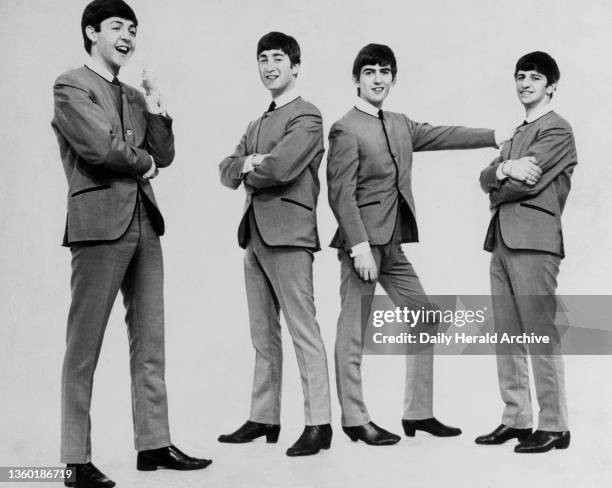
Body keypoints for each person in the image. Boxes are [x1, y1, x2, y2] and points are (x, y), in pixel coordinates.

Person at [52, 1, 211, 486]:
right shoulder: (71, 84)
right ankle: (74, 461)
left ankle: (154, 445)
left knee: (151, 341)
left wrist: (158, 106)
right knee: (84, 346)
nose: (128, 35)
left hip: (144, 221)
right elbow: (100, 146)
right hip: (98, 224)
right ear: (91, 32)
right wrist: (143, 164)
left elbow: (166, 153)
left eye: (133, 29)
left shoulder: (136, 98)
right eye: (118, 26)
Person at [327, 43, 503, 445]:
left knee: (424, 315)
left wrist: (495, 136)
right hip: (362, 248)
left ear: (393, 78)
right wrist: (359, 248)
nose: (377, 78)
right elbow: (340, 194)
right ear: (357, 80)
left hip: (393, 246)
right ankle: (355, 419)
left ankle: (418, 413)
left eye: (384, 71)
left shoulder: (400, 123)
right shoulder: (345, 127)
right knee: (353, 330)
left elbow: (443, 134)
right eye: (369, 71)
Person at [218, 32, 332, 457]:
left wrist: (249, 168)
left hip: (289, 234)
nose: (270, 66)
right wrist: (248, 163)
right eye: (263, 59)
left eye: (278, 59)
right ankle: (264, 416)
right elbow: (225, 169)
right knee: (262, 335)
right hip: (255, 236)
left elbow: (282, 168)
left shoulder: (307, 116)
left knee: (304, 329)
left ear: (296, 66)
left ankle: (320, 423)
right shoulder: (257, 122)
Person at [475, 51, 576, 453]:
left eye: (534, 77)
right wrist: (502, 169)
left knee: (539, 332)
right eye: (520, 76)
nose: (525, 83)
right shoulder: (517, 133)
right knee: (506, 334)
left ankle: (554, 424)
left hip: (535, 242)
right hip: (500, 240)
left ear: (550, 85)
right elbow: (486, 177)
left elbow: (527, 184)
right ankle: (516, 418)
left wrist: (503, 176)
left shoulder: (557, 130)